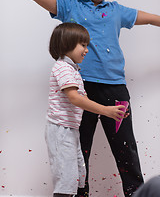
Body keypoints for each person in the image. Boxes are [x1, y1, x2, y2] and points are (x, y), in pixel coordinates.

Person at [1, 0, 160, 196]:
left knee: (126, 149)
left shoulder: (116, 10)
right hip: (80, 90)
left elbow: (148, 18)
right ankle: (79, 193)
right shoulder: (70, 7)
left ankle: (137, 193)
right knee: (79, 150)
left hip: (116, 91)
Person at [45, 22, 127, 197]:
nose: (87, 50)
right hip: (61, 130)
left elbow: (84, 99)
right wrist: (105, 110)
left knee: (77, 174)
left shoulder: (72, 69)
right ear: (67, 44)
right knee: (66, 178)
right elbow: (75, 98)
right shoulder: (63, 68)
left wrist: (112, 111)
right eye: (83, 45)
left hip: (70, 129)